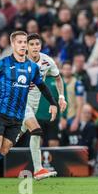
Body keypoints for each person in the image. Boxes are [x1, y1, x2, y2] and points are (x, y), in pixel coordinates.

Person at [0, 31, 58, 188]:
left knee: (3, 150)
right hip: (0, 112)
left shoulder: (32, 67)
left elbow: (43, 87)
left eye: (24, 42)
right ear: (13, 45)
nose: (22, 45)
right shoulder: (3, 63)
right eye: (19, 42)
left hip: (17, 117)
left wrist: (53, 103)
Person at [18, 33, 67, 180]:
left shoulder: (47, 61)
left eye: (37, 44)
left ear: (41, 46)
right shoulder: (19, 61)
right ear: (26, 46)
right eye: (31, 44)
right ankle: (38, 169)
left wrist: (61, 97)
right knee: (37, 131)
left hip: (34, 104)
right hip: (20, 102)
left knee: (10, 140)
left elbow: (58, 79)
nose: (34, 47)